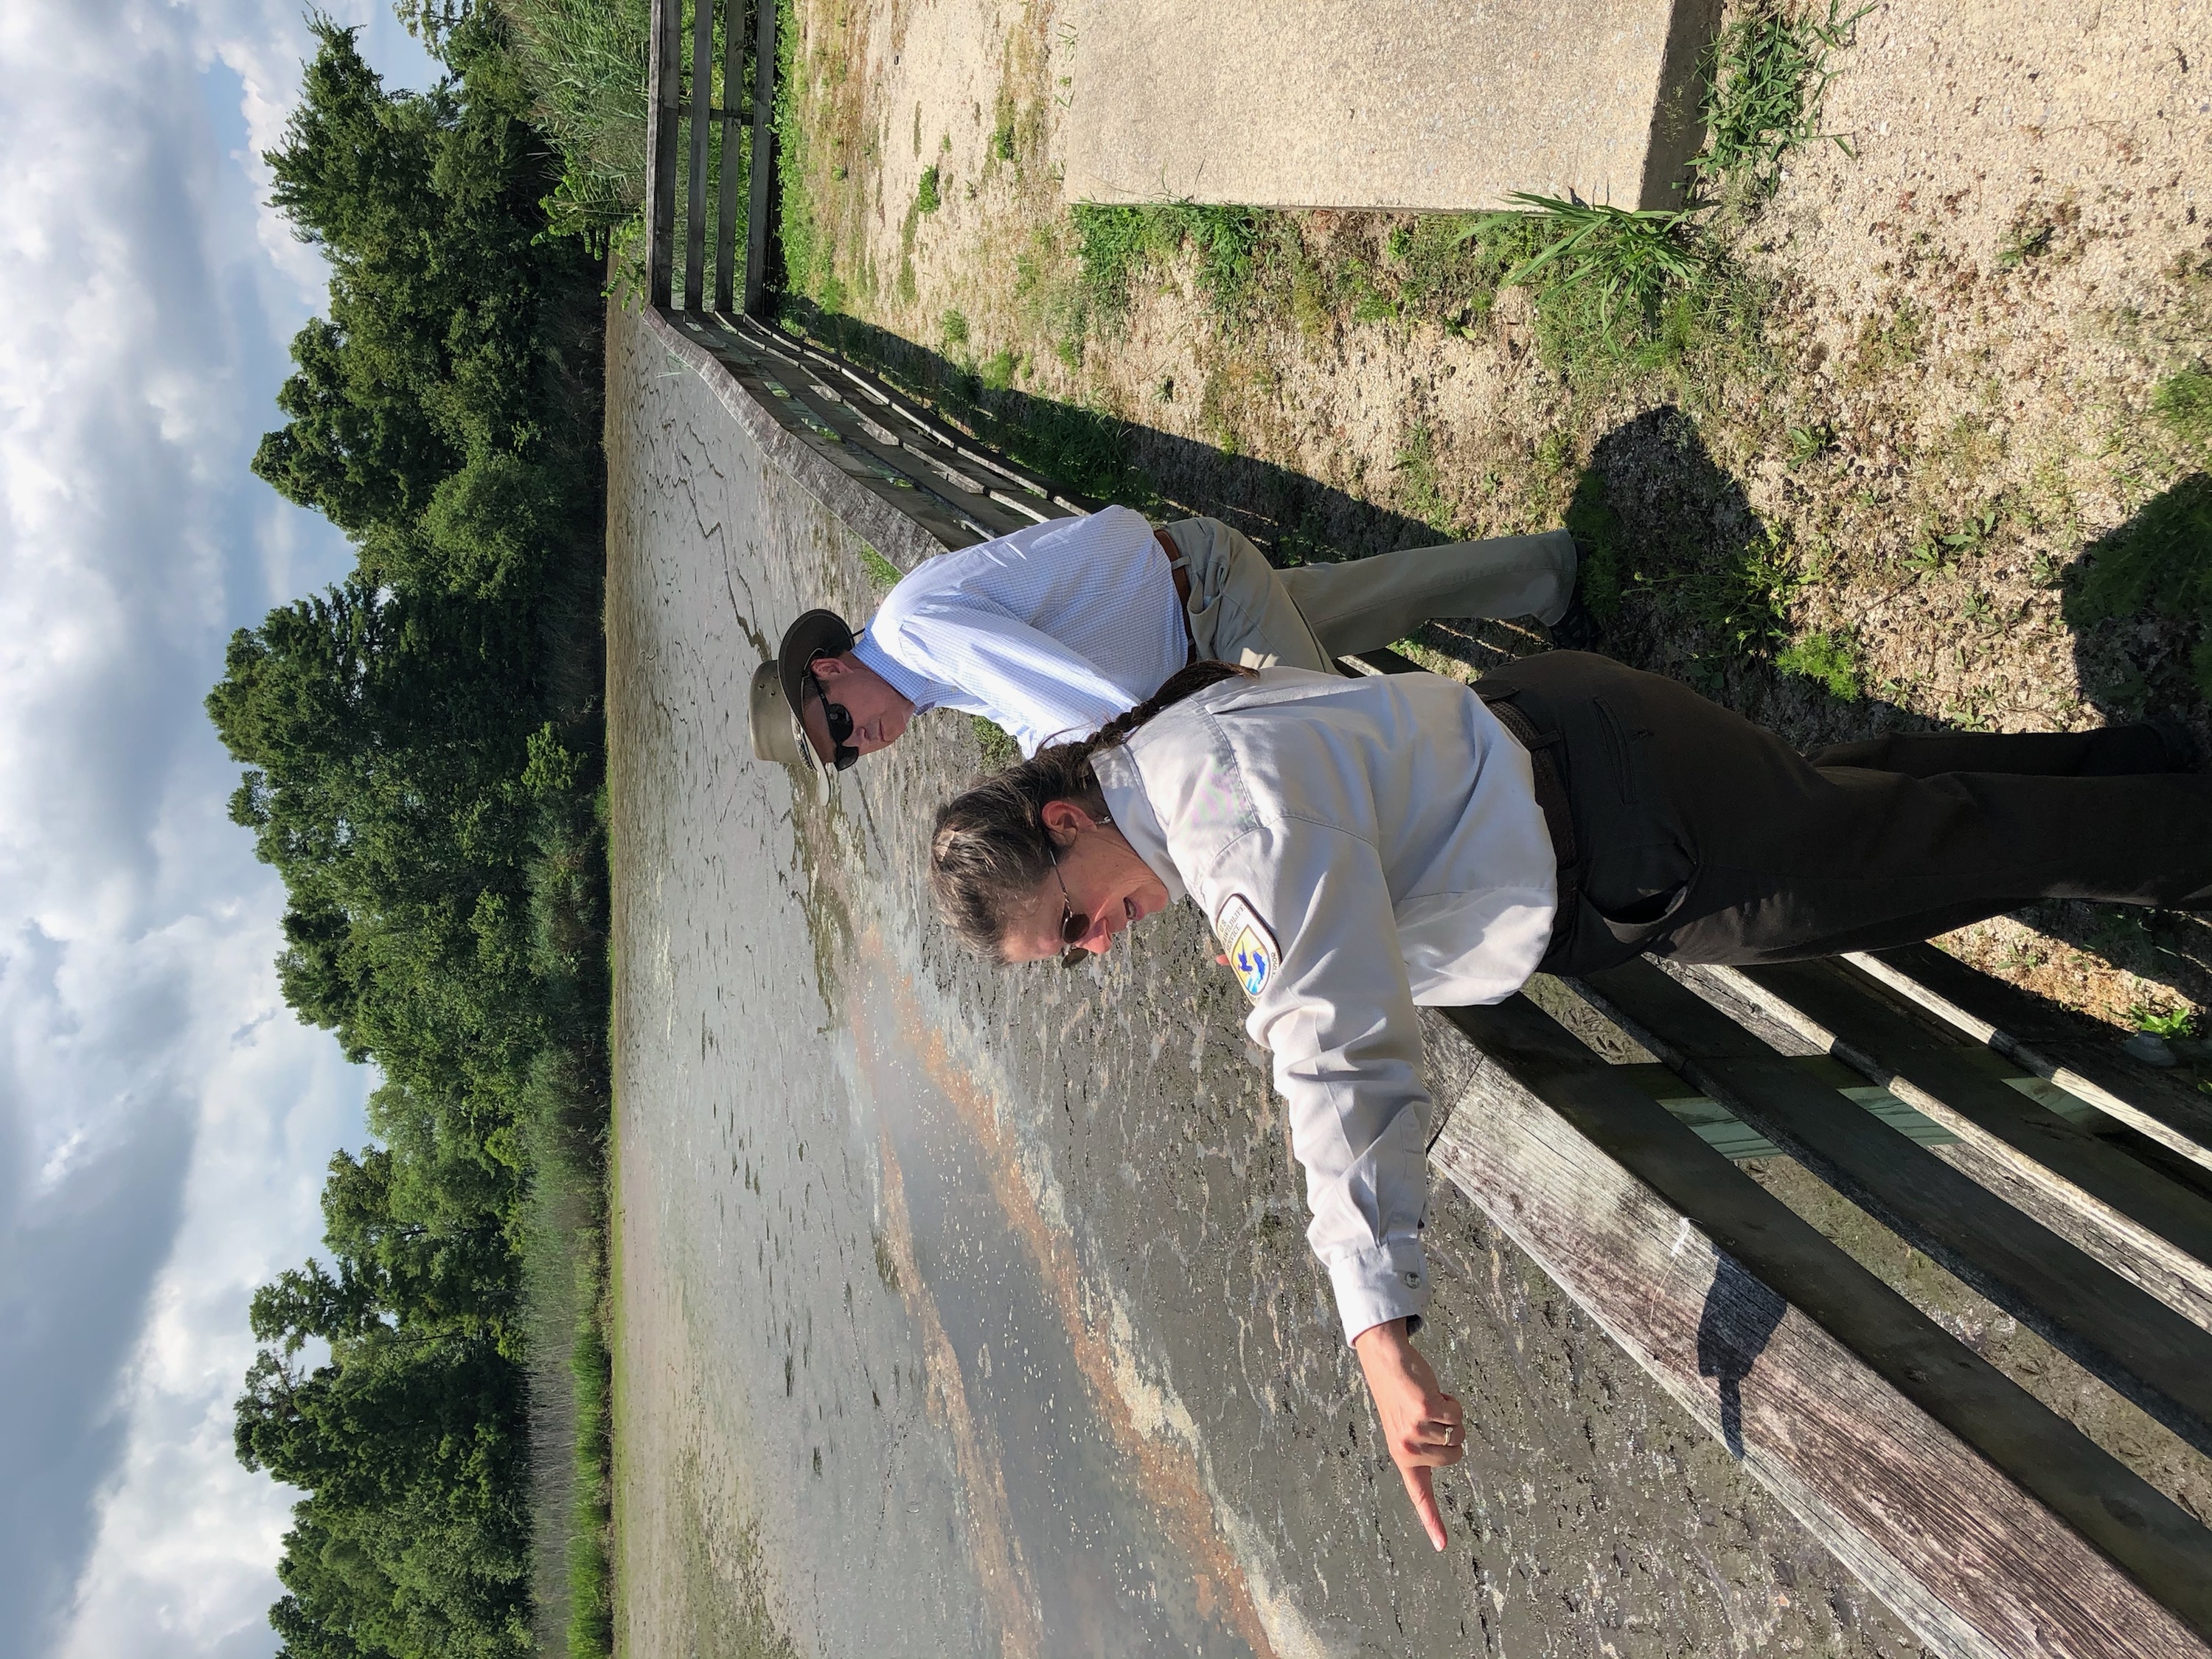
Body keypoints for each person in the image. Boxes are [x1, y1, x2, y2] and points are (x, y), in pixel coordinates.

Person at [925, 650, 2211, 1551]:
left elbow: (1336, 1054)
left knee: (1918, 853)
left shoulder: (1221, 830)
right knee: (1872, 815)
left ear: (1061, 818)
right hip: (1583, 744)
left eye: (1076, 923)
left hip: (1627, 826)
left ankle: (2184, 834)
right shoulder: (1173, 755)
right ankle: (2147, 768)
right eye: (1078, 955)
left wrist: (1377, 1331)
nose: (1104, 945)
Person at [747, 502, 1597, 770]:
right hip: (1195, 600)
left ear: (829, 667)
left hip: (1206, 600)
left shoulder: (916, 634)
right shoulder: (920, 669)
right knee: (1376, 598)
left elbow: (1078, 716)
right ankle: (1548, 572)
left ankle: (1550, 751)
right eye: (850, 755)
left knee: (1339, 753)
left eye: (843, 726)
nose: (866, 741)